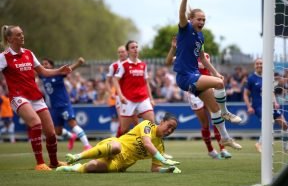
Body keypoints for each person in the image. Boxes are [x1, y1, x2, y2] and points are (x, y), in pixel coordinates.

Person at [172, 0, 242, 150]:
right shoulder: (185, 28)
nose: (202, 21)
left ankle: (225, 138)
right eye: (199, 19)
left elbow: (203, 59)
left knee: (214, 108)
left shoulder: (201, 37)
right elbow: (181, 12)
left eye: (204, 19)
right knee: (219, 84)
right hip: (185, 76)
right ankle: (227, 112)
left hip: (194, 76)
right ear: (191, 19)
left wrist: (216, 72)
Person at [0, 25, 71, 170]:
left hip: (35, 96)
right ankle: (40, 163)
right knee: (36, 123)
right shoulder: (3, 57)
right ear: (9, 39)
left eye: (22, 33)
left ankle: (54, 163)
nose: (22, 36)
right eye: (18, 34)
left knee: (51, 133)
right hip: (18, 97)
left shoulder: (29, 54)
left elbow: (43, 72)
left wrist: (59, 70)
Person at [166, 36, 232, 159]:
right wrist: (172, 48)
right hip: (193, 92)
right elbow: (168, 62)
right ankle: (211, 150)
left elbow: (208, 71)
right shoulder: (183, 56)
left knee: (215, 119)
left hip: (207, 90)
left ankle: (223, 149)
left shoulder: (205, 56)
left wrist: (217, 76)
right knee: (205, 123)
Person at [56, 113, 181, 174]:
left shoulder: (160, 146)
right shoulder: (148, 125)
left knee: (92, 167)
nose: (169, 130)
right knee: (116, 147)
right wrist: (162, 158)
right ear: (162, 121)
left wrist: (167, 170)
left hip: (120, 164)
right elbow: (147, 143)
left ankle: (73, 167)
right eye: (169, 126)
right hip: (113, 145)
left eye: (172, 129)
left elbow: (154, 169)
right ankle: (77, 157)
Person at [243, 58, 288, 155]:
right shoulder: (251, 78)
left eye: (261, 63)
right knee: (268, 123)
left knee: (285, 125)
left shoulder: (268, 76)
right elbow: (245, 94)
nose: (259, 65)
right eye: (257, 63)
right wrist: (249, 107)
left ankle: (286, 148)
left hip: (270, 105)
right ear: (254, 65)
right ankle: (259, 143)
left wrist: (275, 102)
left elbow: (271, 92)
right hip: (259, 106)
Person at [40, 57, 92, 151]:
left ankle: (87, 146)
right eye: (43, 64)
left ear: (52, 66)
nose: (44, 66)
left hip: (64, 105)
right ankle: (71, 136)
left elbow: (68, 69)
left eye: (46, 64)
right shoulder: (42, 76)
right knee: (58, 132)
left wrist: (78, 63)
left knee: (73, 125)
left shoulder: (58, 74)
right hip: (54, 107)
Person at [112, 40, 155, 136]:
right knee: (123, 129)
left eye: (136, 47)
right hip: (128, 100)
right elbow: (115, 80)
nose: (135, 49)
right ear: (127, 51)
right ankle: (117, 146)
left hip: (143, 98)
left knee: (151, 122)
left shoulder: (143, 65)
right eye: (132, 47)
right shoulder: (123, 65)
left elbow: (146, 82)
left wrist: (151, 99)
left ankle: (151, 147)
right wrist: (120, 96)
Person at [106, 45, 138, 137]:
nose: (121, 54)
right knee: (122, 122)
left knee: (135, 121)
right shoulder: (114, 66)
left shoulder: (134, 64)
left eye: (122, 52)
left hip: (133, 96)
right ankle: (118, 143)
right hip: (120, 97)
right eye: (119, 52)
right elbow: (107, 82)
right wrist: (111, 93)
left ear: (127, 52)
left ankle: (140, 142)